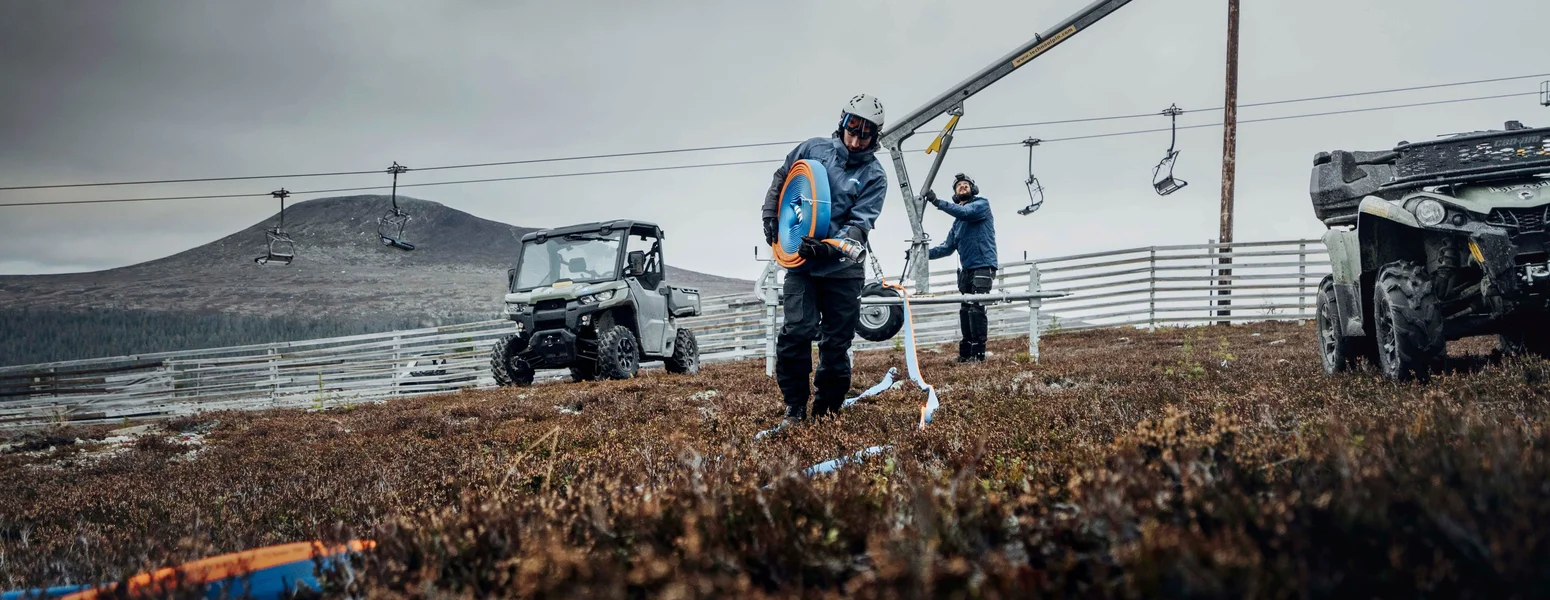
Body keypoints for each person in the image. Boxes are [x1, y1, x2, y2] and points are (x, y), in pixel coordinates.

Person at [760, 94, 888, 423]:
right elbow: (783, 177)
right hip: (801, 266)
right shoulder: (812, 149)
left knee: (836, 342)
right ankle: (795, 408)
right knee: (796, 331)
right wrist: (770, 214)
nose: (856, 139)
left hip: (843, 271)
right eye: (852, 128)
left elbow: (860, 225)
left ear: (875, 136)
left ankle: (826, 413)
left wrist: (829, 247)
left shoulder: (875, 176)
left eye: (865, 134)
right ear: (843, 121)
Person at [923, 173, 998, 363]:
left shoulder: (981, 205)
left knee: (977, 308)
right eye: (959, 186)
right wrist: (922, 254)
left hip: (983, 265)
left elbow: (966, 212)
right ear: (955, 193)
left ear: (973, 189)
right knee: (965, 310)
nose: (962, 187)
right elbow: (947, 248)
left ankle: (978, 354)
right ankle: (965, 353)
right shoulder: (957, 223)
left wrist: (937, 202)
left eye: (966, 184)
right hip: (966, 270)